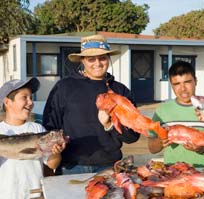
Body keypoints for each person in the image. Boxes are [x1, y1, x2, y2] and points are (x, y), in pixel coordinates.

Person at [43, 34, 140, 175]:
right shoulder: (64, 87)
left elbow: (132, 136)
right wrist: (55, 148)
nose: (98, 63)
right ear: (82, 60)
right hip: (71, 167)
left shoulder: (120, 91)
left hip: (110, 166)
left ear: (108, 58)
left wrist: (110, 125)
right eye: (91, 59)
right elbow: (49, 126)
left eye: (102, 58)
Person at [0, 78, 66, 199]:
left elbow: (52, 165)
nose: (30, 102)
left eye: (31, 98)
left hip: (33, 194)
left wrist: (56, 153)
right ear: (7, 102)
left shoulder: (38, 129)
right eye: (24, 97)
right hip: (1, 195)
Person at [148, 61, 204, 168]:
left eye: (187, 82)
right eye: (177, 84)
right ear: (171, 85)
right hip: (173, 173)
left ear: (195, 81)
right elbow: (152, 148)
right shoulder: (162, 111)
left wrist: (201, 149)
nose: (183, 88)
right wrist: (160, 142)